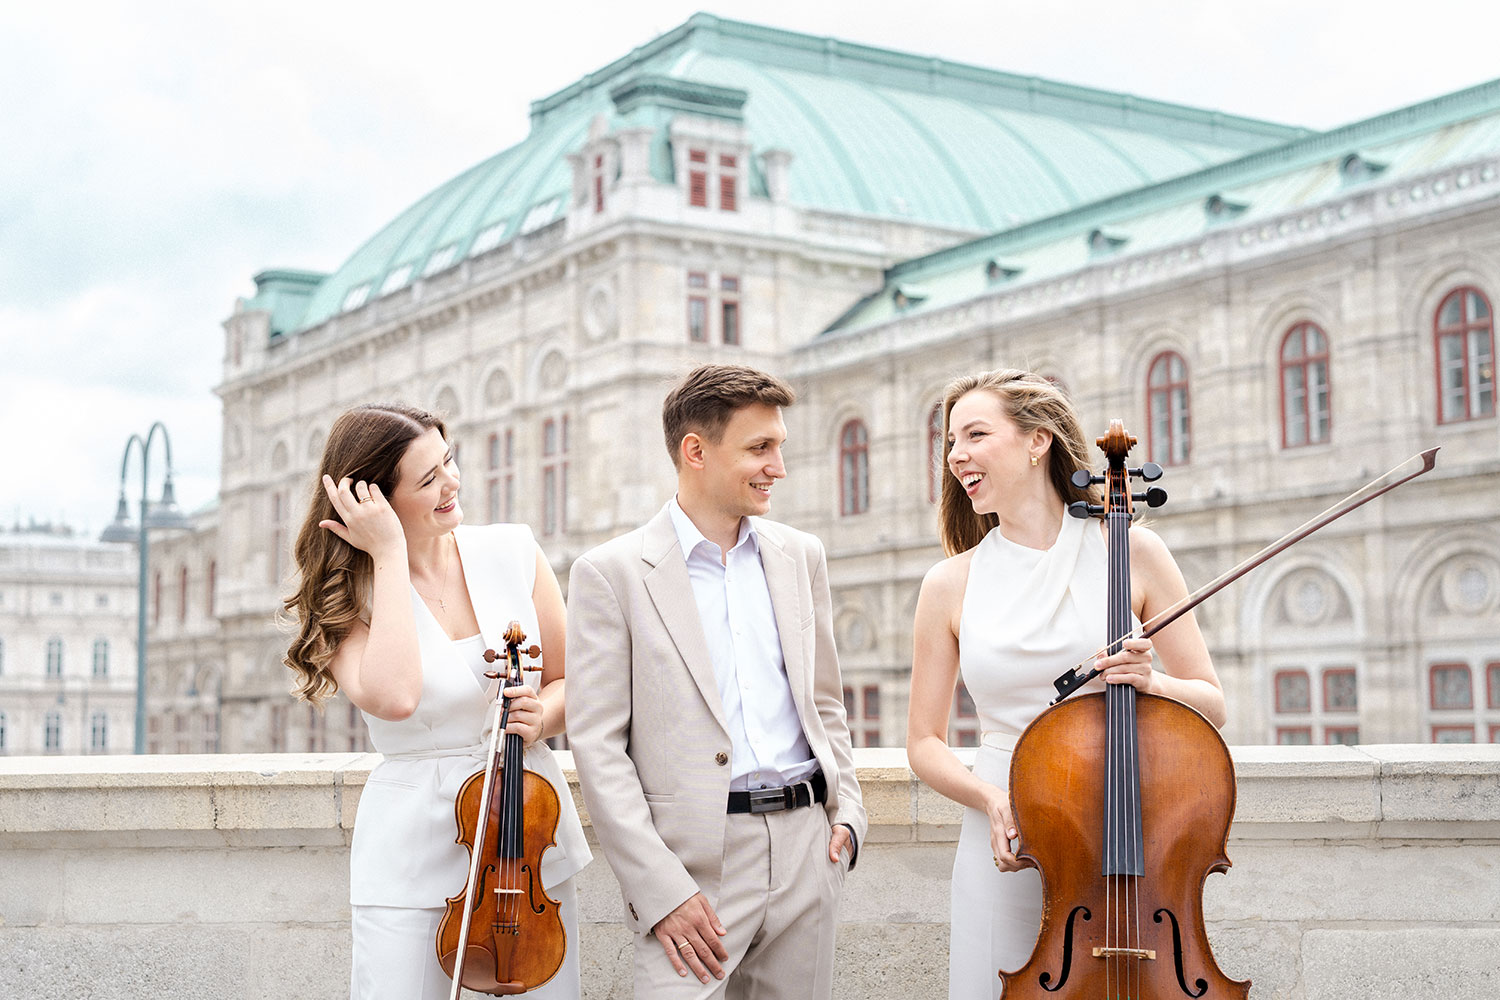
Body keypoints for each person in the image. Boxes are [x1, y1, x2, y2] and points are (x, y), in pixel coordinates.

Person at [906, 370, 1228, 1000]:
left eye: (975, 434)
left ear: (1038, 441)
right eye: (950, 442)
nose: (956, 456)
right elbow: (923, 741)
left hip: (1122, 825)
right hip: (1006, 830)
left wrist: (1152, 682)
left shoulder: (1133, 551)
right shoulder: (949, 584)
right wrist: (989, 799)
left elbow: (1212, 701)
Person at [566, 364, 866, 999]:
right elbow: (597, 747)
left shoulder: (800, 555)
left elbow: (824, 702)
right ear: (694, 451)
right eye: (759, 448)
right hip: (693, 868)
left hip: (807, 849)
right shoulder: (610, 574)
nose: (777, 467)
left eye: (779, 446)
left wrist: (849, 814)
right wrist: (661, 891)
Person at [281, 402, 591, 1000]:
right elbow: (396, 698)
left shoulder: (514, 550)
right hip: (410, 852)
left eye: (449, 462)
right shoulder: (344, 596)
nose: (452, 483)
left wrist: (542, 716)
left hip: (522, 835)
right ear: (377, 501)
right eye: (428, 480)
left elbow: (573, 681)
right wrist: (390, 557)